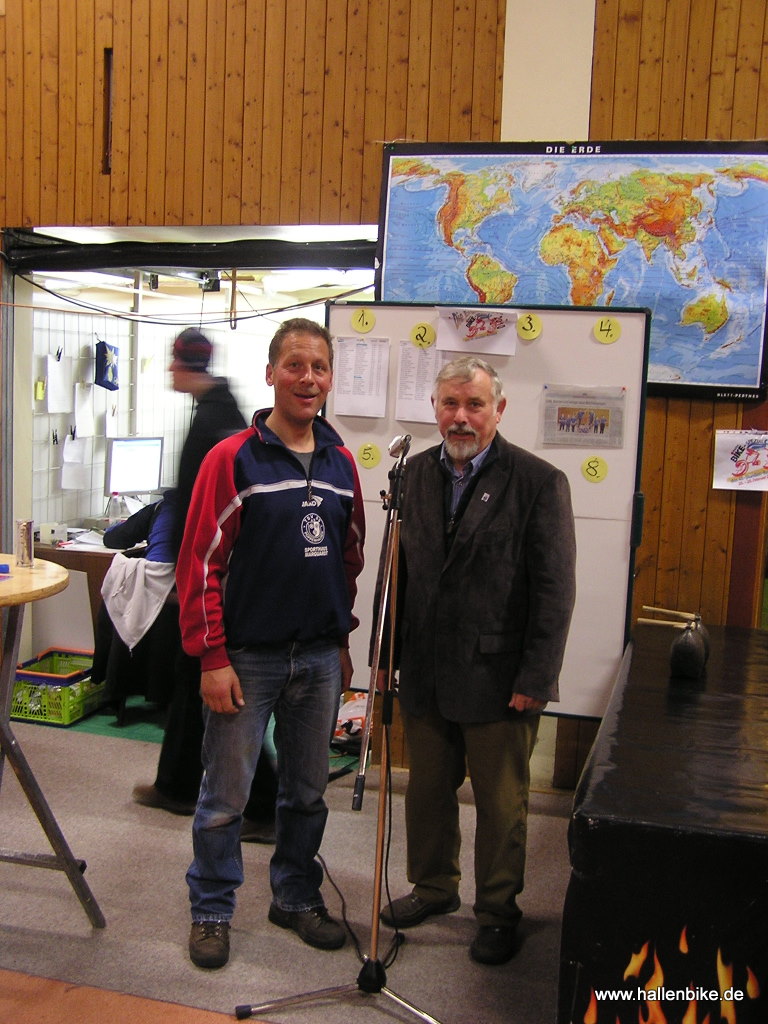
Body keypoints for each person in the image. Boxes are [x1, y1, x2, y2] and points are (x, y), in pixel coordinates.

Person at [175, 317, 365, 970]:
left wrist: (340, 639)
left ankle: (295, 895)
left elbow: (348, 559)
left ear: (330, 379)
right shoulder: (231, 459)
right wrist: (212, 657)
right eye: (294, 365)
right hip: (246, 660)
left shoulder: (342, 464)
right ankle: (211, 909)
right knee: (225, 799)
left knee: (307, 794)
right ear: (271, 374)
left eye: (319, 367)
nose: (307, 378)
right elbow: (201, 564)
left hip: (318, 659)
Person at [375, 355, 576, 966]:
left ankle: (496, 911)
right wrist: (384, 657)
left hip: (500, 679)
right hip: (426, 672)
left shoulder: (538, 481)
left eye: (475, 405)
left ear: (499, 410)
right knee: (426, 792)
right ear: (435, 409)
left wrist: (537, 677)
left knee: (501, 805)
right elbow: (398, 573)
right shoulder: (412, 476)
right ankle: (434, 886)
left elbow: (554, 591)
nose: (461, 417)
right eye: (450, 404)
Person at [130, 327, 267, 818]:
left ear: (188, 365)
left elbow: (206, 510)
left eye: (174, 361)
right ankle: (180, 784)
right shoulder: (218, 412)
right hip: (210, 574)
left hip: (214, 578)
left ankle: (261, 803)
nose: (169, 370)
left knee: (210, 684)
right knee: (193, 682)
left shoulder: (216, 420)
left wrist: (191, 579)